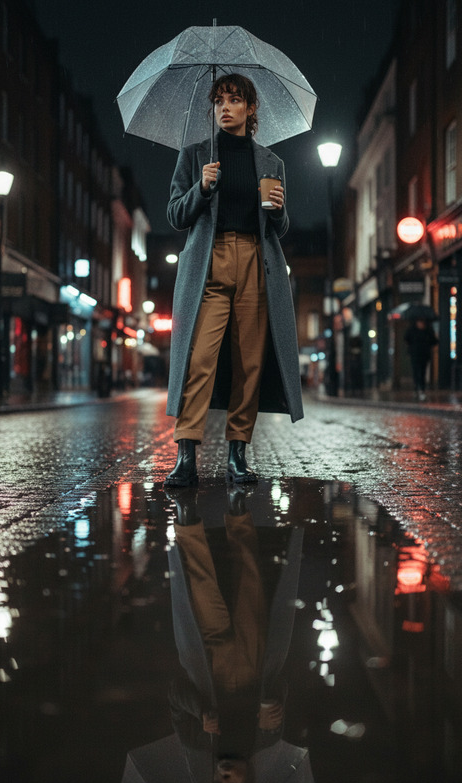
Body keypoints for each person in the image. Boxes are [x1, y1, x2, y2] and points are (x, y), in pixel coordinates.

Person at [164, 73, 303, 487]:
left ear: (250, 108)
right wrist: (201, 188)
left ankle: (237, 456)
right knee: (199, 358)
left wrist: (278, 211)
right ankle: (186, 455)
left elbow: (280, 227)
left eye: (234, 100)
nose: (225, 108)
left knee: (251, 363)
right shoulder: (195, 156)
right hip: (209, 263)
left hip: (256, 265)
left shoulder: (272, 162)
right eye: (219, 101)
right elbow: (174, 215)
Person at [404, 318, 438, 401]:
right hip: (415, 355)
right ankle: (416, 388)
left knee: (422, 372)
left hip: (424, 355)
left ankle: (422, 389)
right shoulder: (411, 330)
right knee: (416, 371)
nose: (421, 323)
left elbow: (434, 341)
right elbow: (406, 339)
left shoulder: (428, 331)